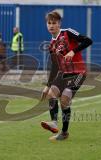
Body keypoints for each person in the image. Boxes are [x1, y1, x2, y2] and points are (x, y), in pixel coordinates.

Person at [40, 11, 93, 141]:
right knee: (51, 94)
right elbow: (55, 67)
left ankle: (64, 132)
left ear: (59, 24)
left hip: (79, 73)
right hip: (64, 74)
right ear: (46, 25)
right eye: (49, 23)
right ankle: (53, 122)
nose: (51, 25)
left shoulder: (67, 32)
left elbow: (88, 40)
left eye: (54, 23)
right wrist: (47, 86)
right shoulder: (52, 45)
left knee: (64, 99)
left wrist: (72, 51)